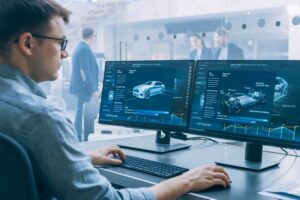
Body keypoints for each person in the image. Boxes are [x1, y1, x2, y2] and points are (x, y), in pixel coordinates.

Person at [0, 0, 231, 199]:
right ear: (27, 44)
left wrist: (79, 159)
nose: (65, 53)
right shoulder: (41, 119)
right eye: (61, 43)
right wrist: (186, 181)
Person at [70, 27, 99, 142]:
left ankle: (80, 136)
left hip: (82, 87)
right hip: (85, 89)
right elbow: (85, 71)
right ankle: (84, 137)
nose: (95, 38)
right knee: (85, 114)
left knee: (80, 113)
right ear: (91, 36)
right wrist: (93, 89)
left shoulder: (80, 47)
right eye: (94, 36)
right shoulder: (84, 49)